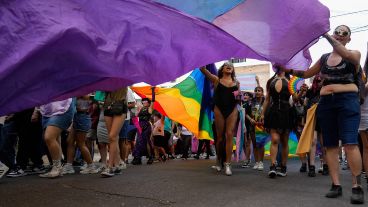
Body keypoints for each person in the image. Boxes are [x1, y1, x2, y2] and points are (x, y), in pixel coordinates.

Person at [279, 25, 364, 204]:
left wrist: (326, 35)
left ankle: (357, 186)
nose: (340, 35)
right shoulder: (324, 58)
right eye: (337, 32)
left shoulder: (354, 54)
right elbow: (307, 73)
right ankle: (336, 184)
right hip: (325, 104)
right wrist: (287, 70)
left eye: (344, 34)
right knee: (330, 146)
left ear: (349, 39)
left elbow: (347, 55)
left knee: (350, 143)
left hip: (347, 101)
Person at [261, 70, 305, 178]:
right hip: (273, 112)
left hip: (286, 113)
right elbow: (267, 99)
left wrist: (301, 92)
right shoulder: (271, 81)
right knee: (275, 139)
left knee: (285, 141)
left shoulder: (290, 81)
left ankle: (283, 167)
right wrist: (262, 114)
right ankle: (272, 166)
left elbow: (295, 99)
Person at [200, 63, 240, 176]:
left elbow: (238, 99)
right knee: (220, 138)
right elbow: (202, 69)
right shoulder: (216, 80)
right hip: (219, 109)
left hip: (232, 110)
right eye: (226, 65)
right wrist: (205, 59)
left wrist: (240, 96)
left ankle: (228, 164)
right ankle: (219, 161)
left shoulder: (237, 83)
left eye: (231, 65)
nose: (229, 66)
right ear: (222, 69)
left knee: (229, 135)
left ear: (233, 70)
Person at [39, 98, 76, 178]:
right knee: (54, 138)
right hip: (47, 109)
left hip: (63, 107)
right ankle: (57, 168)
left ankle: (57, 167)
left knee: (49, 137)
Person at [100, 88, 128, 177]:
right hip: (107, 105)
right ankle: (116, 165)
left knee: (112, 136)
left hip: (120, 104)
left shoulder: (124, 76)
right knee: (113, 137)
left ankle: (110, 167)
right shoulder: (106, 78)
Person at [246, 86, 265, 171]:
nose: (257, 92)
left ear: (262, 92)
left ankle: (261, 162)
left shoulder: (265, 102)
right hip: (252, 126)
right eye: (256, 90)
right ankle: (256, 162)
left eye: (259, 90)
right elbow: (245, 113)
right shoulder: (250, 102)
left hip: (262, 126)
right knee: (254, 144)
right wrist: (250, 120)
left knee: (261, 144)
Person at [132, 98, 154, 165]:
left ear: (149, 103)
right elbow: (135, 116)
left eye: (145, 101)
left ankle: (150, 157)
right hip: (139, 126)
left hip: (146, 126)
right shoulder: (141, 108)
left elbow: (153, 101)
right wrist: (138, 110)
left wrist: (153, 92)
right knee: (139, 141)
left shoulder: (149, 108)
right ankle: (138, 158)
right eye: (143, 101)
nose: (144, 102)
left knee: (147, 141)